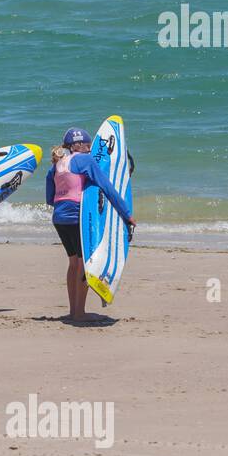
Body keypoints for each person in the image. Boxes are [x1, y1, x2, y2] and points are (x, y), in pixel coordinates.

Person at [45, 127, 135, 321]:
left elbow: (49, 198)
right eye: (88, 145)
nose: (89, 149)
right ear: (81, 145)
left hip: (59, 217)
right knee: (84, 263)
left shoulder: (57, 163)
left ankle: (73, 310)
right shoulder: (85, 160)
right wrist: (126, 213)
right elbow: (106, 186)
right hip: (77, 215)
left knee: (73, 262)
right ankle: (79, 313)